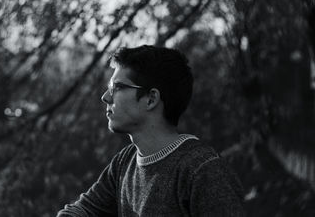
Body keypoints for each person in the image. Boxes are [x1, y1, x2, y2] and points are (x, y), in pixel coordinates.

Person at [57, 45, 245, 216]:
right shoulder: (124, 162)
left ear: (151, 99)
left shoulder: (202, 169)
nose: (105, 97)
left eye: (118, 87)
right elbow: (83, 210)